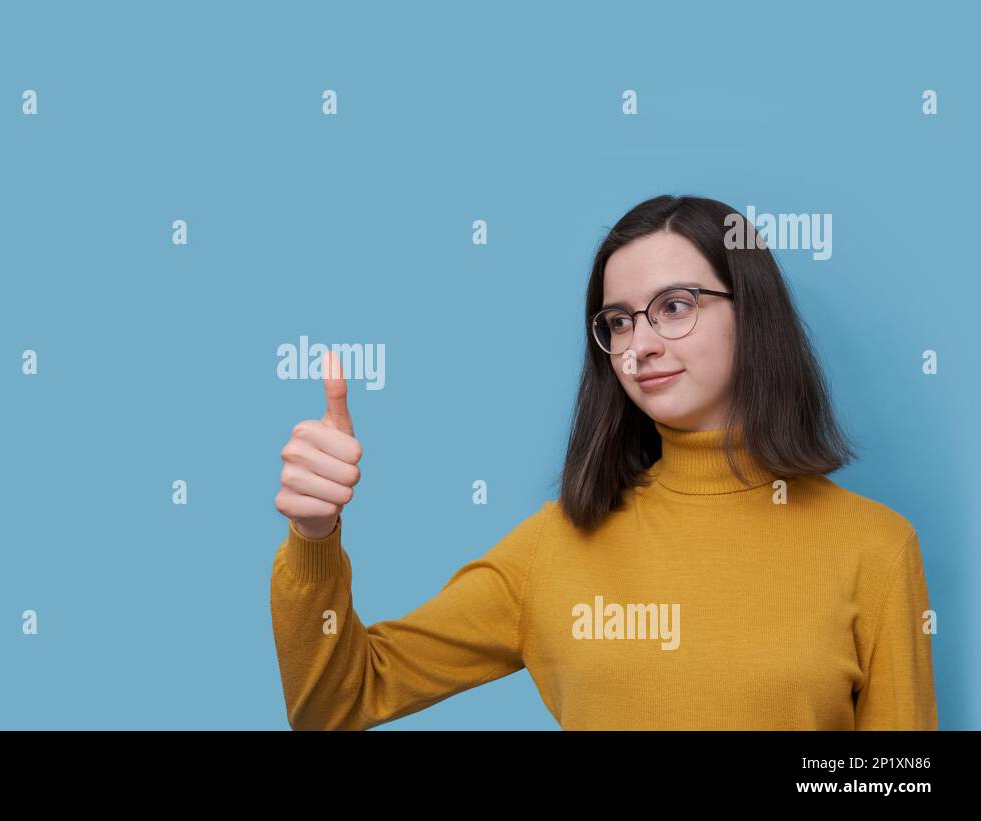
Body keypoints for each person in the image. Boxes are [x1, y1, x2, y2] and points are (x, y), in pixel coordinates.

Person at [269, 194, 938, 730]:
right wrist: (313, 537)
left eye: (674, 307)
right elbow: (336, 701)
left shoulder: (874, 549)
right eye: (617, 321)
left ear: (752, 313)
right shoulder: (553, 547)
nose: (639, 344)